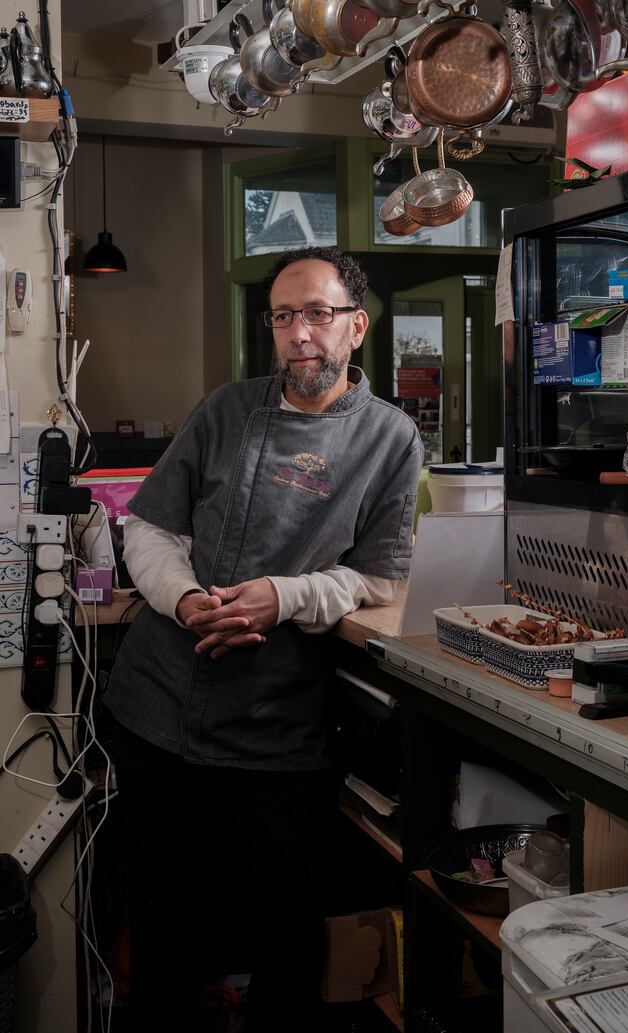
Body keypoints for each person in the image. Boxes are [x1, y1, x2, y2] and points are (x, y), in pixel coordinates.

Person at [103, 246, 424, 1031]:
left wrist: (283, 596)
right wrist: (185, 601)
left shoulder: (390, 438)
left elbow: (380, 579)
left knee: (282, 929)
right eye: (285, 316)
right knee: (162, 922)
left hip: (275, 726)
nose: (300, 334)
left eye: (318, 314)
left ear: (357, 325)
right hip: (158, 706)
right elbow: (148, 528)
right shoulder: (224, 408)